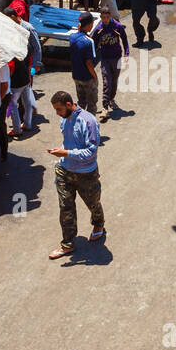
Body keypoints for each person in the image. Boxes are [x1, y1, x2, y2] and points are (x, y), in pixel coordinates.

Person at [47, 90, 105, 260]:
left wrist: (66, 153)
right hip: (65, 171)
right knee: (65, 208)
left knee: (93, 203)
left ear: (68, 105)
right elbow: (68, 142)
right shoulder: (64, 119)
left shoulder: (89, 121)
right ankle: (67, 244)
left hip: (86, 174)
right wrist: (62, 153)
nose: (57, 113)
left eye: (59, 109)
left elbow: (91, 151)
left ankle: (98, 225)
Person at [3, 6, 41, 136]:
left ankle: (17, 129)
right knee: (27, 101)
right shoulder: (21, 42)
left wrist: (36, 65)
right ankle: (28, 124)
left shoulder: (26, 30)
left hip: (18, 79)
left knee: (13, 104)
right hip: (25, 76)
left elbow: (36, 48)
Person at [90, 6, 129, 122]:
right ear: (100, 17)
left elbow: (125, 39)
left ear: (110, 16)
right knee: (107, 82)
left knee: (114, 81)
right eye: (103, 18)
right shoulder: (99, 29)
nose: (105, 20)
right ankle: (105, 107)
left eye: (107, 17)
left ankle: (111, 99)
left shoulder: (117, 26)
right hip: (105, 59)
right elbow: (94, 43)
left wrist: (126, 54)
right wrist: (91, 58)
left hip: (116, 58)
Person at [68, 11, 101, 114]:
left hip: (76, 76)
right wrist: (95, 76)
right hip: (87, 78)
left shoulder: (72, 37)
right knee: (91, 105)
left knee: (81, 103)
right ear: (90, 24)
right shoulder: (89, 41)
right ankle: (90, 127)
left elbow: (77, 35)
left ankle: (80, 124)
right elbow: (89, 63)